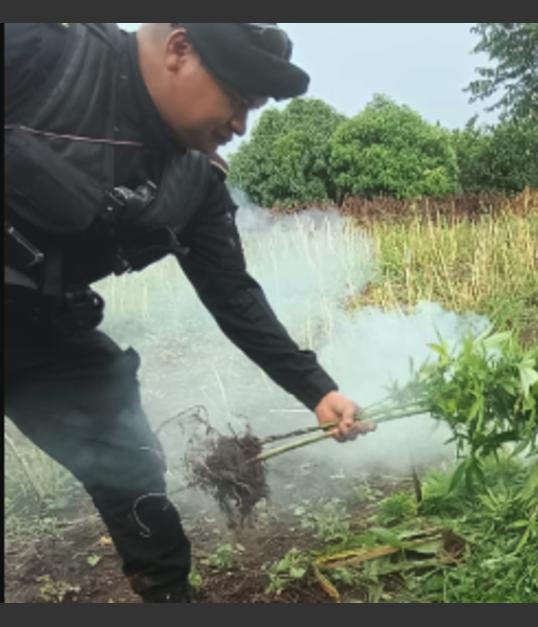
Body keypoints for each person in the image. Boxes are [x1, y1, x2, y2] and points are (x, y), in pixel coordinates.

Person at [4, 23, 372, 602]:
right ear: (180, 49)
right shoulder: (44, 52)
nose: (240, 125)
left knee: (130, 464)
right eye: (238, 100)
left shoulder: (192, 181)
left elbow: (234, 294)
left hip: (42, 327)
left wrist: (315, 389)